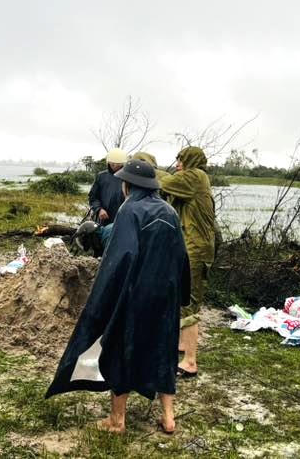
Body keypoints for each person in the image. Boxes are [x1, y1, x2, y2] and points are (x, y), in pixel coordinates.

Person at [46, 159, 191, 434]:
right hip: (166, 296)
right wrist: (182, 295)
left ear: (129, 186)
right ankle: (169, 418)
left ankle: (117, 420)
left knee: (122, 350)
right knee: (164, 351)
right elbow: (182, 256)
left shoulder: (130, 211)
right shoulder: (170, 212)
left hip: (135, 294)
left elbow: (121, 256)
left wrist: (103, 297)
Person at [159, 146, 217, 379]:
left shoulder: (195, 177)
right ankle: (182, 346)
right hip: (194, 247)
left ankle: (190, 362)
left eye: (180, 159)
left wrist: (143, 168)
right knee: (184, 297)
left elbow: (163, 182)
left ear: (190, 160)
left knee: (189, 303)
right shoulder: (196, 179)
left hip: (195, 249)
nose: (177, 163)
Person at [88, 148, 127, 226]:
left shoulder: (129, 178)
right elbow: (93, 197)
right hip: (103, 220)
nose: (114, 164)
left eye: (117, 163)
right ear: (108, 161)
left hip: (123, 220)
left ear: (122, 163)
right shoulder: (101, 176)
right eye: (112, 162)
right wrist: (99, 209)